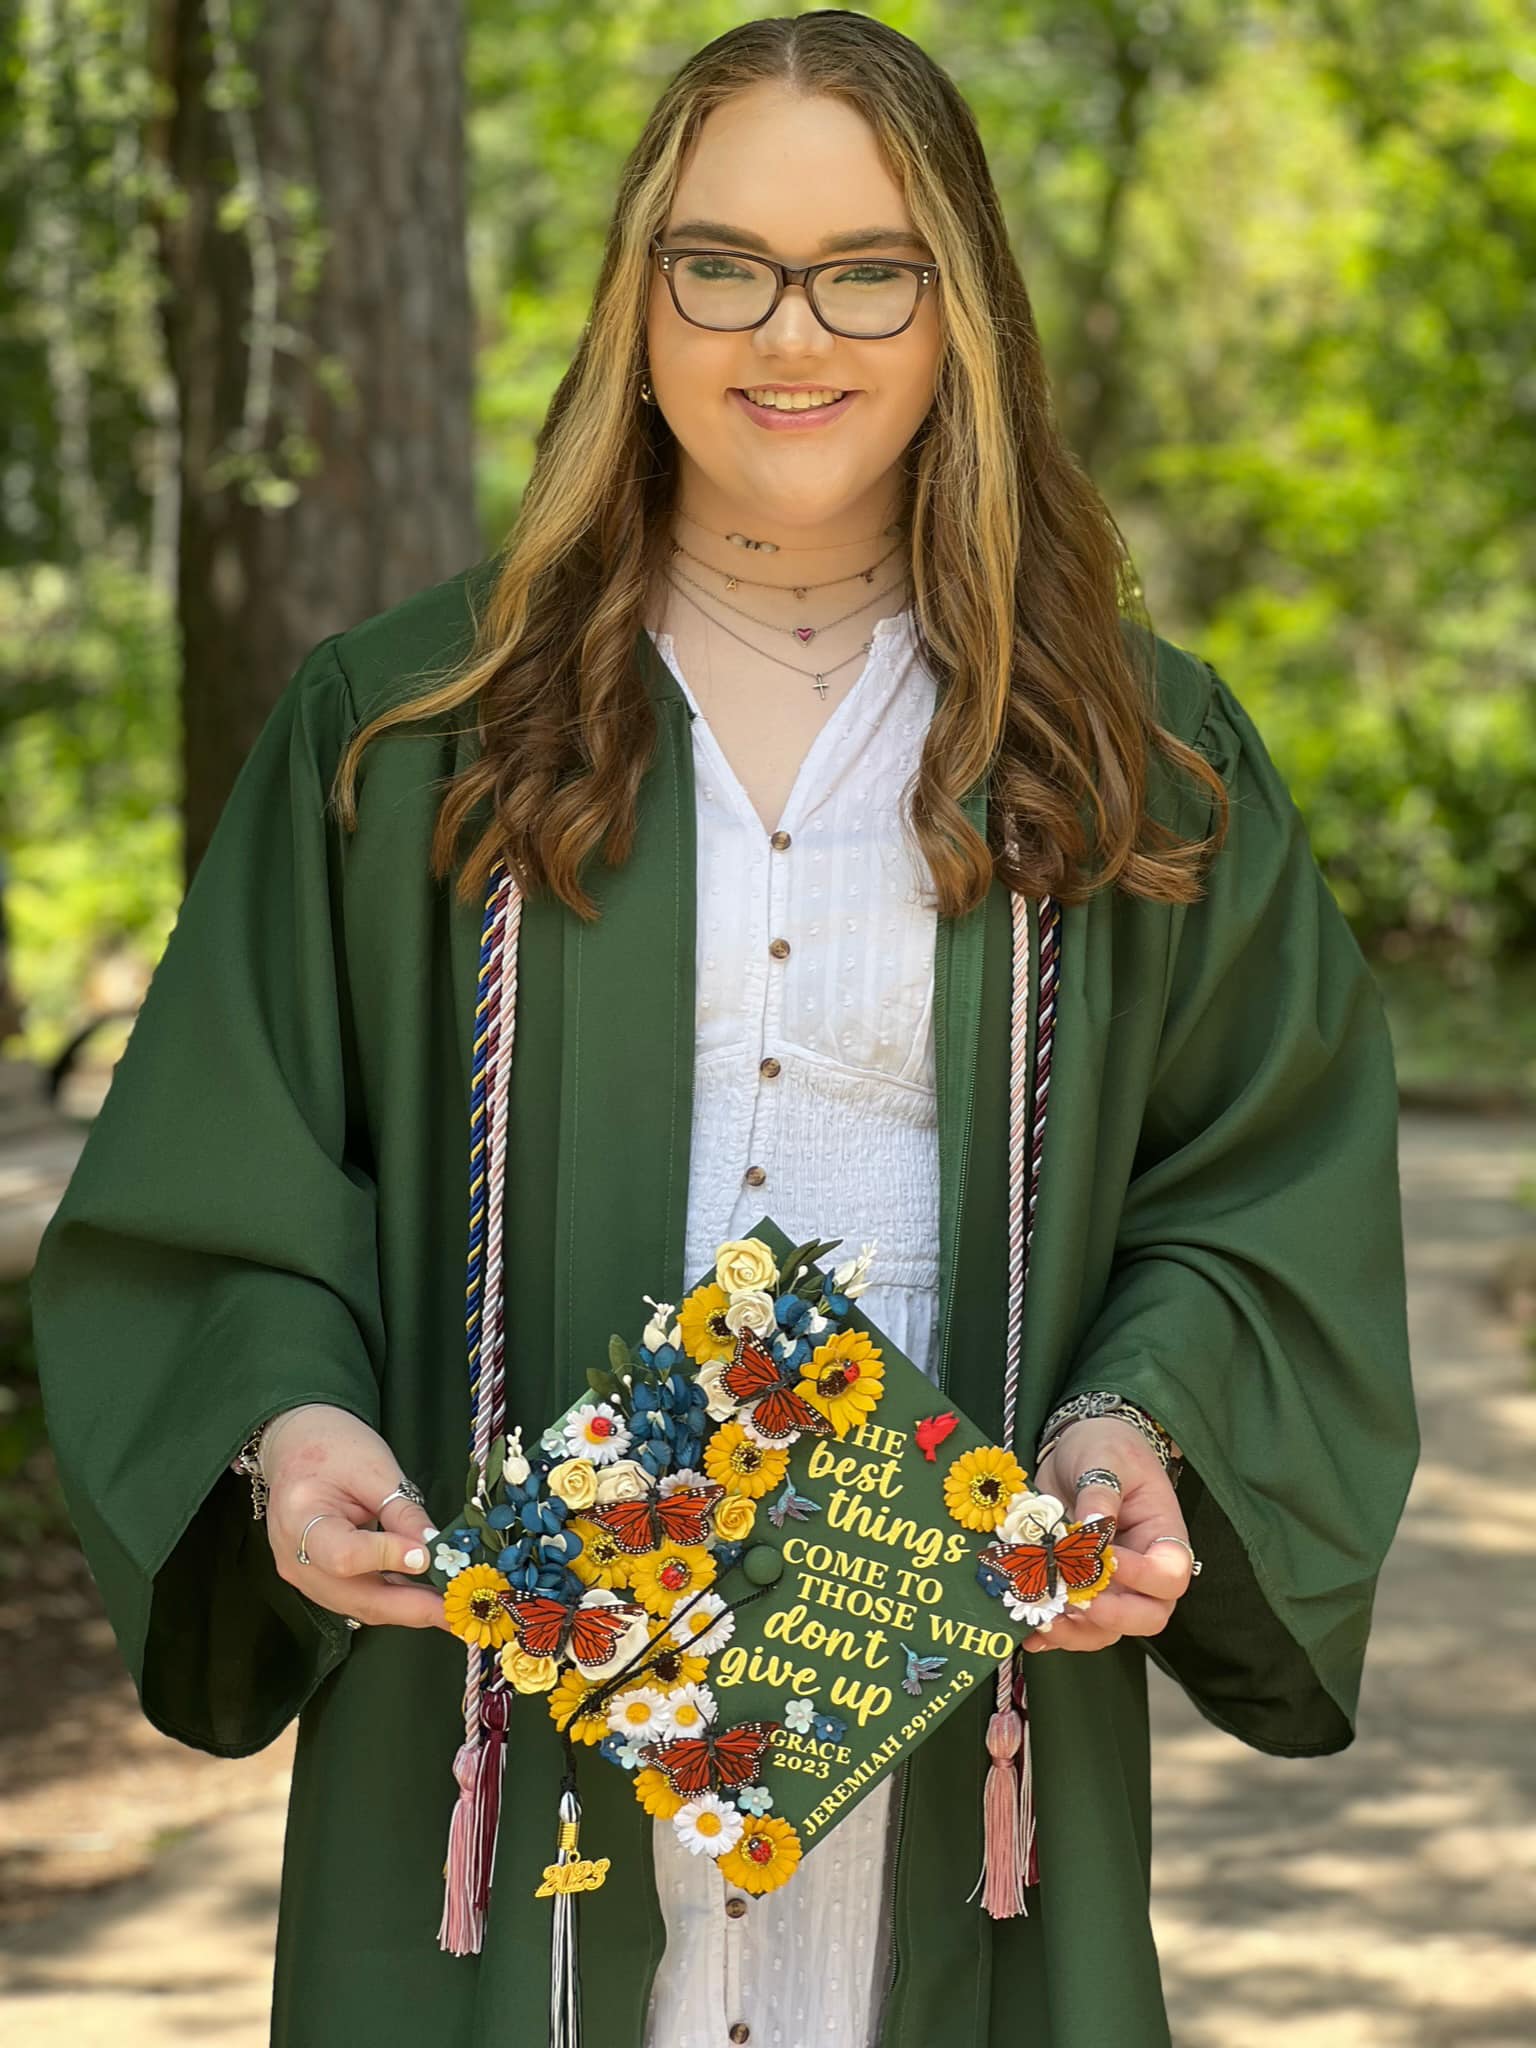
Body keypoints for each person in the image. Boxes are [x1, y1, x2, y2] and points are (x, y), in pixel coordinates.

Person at [30, 13, 1418, 2048]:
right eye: (723, 264)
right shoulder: (417, 734)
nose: (792, 332)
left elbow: (1260, 1184)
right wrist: (289, 1426)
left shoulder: (1130, 750)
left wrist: (1137, 1424)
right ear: (639, 295)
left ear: (962, 309)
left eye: (868, 270)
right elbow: (226, 1180)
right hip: (506, 1696)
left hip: (940, 1681)